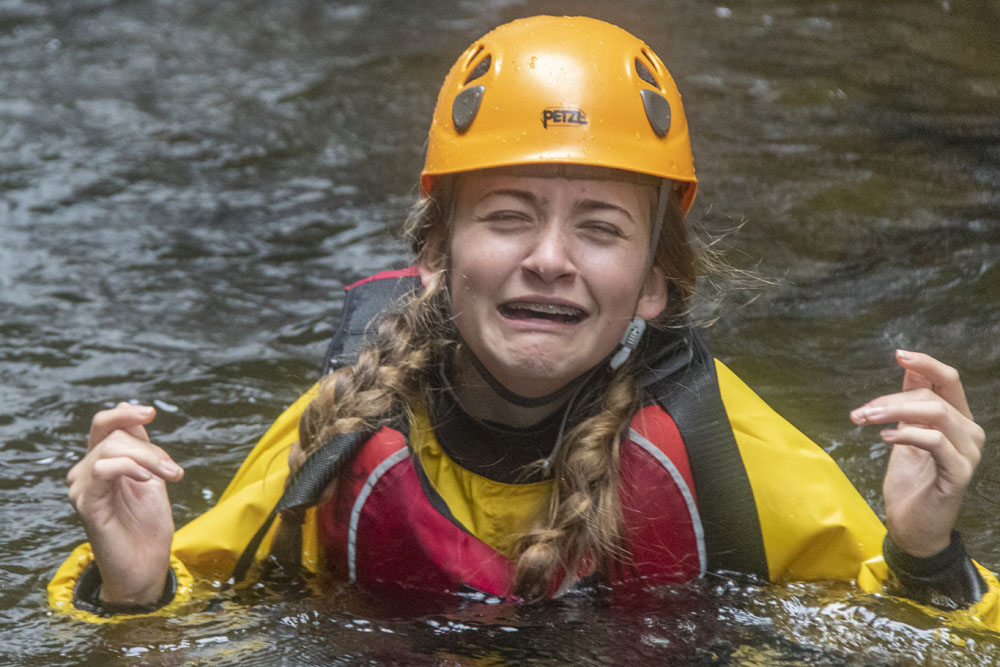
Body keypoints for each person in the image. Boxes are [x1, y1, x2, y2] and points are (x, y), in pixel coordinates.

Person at [49, 15, 995, 625]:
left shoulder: (719, 444)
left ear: (655, 284)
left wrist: (925, 557)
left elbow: (935, 639)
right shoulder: (340, 433)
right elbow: (180, 627)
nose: (549, 257)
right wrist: (130, 590)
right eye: (507, 216)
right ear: (435, 256)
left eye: (600, 228)